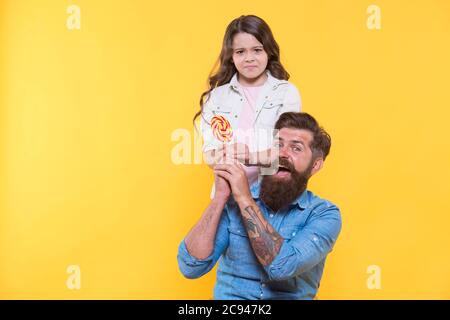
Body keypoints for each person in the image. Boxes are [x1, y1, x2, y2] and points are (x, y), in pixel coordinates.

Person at [178, 112, 342, 300]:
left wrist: (244, 198)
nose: (282, 153)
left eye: (296, 148)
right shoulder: (232, 202)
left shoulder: (324, 214)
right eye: (278, 145)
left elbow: (282, 267)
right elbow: (191, 267)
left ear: (315, 166)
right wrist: (220, 198)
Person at [192, 15, 301, 195]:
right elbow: (209, 154)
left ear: (268, 52)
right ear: (231, 56)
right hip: (227, 198)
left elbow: (286, 152)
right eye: (240, 52)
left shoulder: (286, 93)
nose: (249, 58)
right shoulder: (216, 98)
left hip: (270, 200)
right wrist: (222, 155)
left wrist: (250, 157)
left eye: (257, 50)